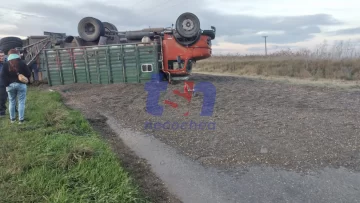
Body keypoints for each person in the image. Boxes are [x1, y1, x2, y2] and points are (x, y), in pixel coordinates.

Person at [0, 49, 31, 123]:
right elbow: (28, 73)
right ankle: (21, 120)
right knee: (21, 102)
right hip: (21, 84)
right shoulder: (22, 63)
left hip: (10, 86)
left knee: (11, 102)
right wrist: (25, 78)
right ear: (17, 54)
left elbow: (2, 75)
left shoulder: (5, 64)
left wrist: (6, 85)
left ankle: (12, 119)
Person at [0, 50, 6, 117]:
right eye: (0, 56)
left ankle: (14, 110)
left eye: (3, 56)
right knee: (1, 98)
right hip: (1, 84)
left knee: (5, 98)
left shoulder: (5, 63)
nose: (2, 57)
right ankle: (1, 112)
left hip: (6, 83)